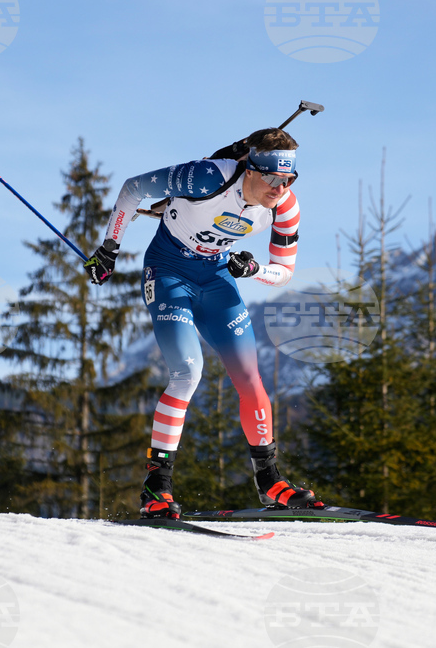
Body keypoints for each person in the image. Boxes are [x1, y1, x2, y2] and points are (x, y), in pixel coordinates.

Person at [83, 128, 319, 519]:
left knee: (249, 377)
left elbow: (284, 271)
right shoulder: (207, 177)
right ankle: (156, 486)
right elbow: (133, 188)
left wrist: (254, 268)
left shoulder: (285, 206)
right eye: (273, 178)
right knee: (187, 372)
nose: (280, 188)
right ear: (249, 168)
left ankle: (270, 480)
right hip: (169, 270)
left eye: (289, 179)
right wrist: (109, 249)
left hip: (216, 277)